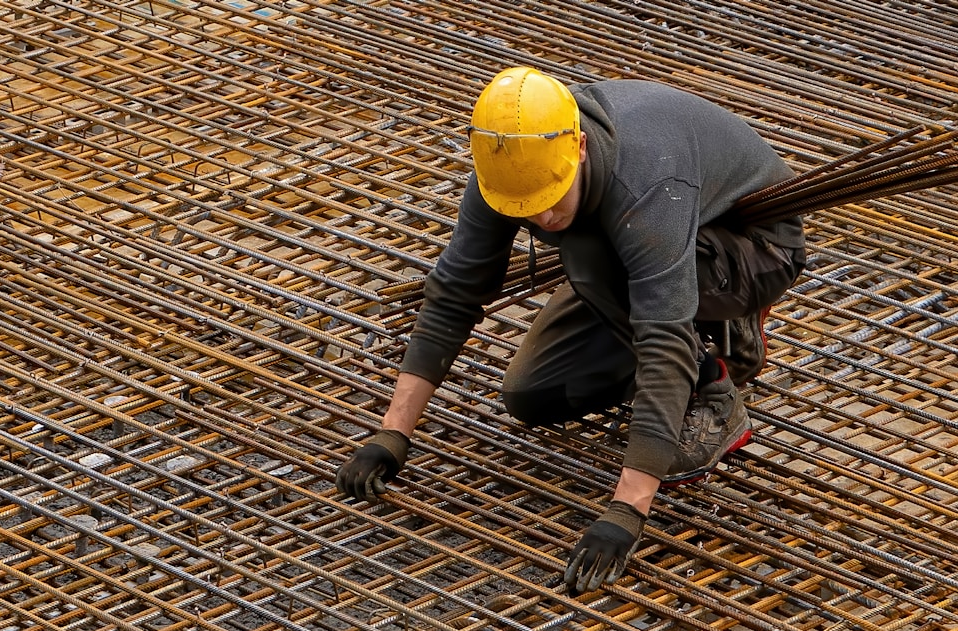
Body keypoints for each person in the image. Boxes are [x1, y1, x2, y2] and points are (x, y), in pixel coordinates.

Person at [336, 66, 807, 593]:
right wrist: (392, 433)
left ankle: (714, 382)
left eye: (549, 198)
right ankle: (706, 332)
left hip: (752, 247)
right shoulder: (507, 165)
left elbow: (662, 337)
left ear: (579, 147)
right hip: (635, 255)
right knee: (533, 396)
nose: (540, 217)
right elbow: (454, 292)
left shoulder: (645, 181)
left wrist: (627, 509)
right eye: (526, 210)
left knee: (587, 250)